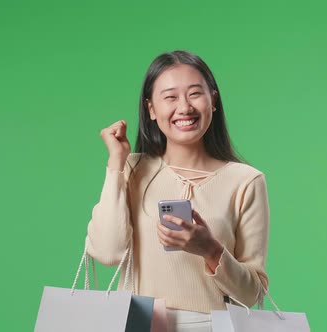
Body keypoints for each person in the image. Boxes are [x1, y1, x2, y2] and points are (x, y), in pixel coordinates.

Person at [85, 50, 270, 332]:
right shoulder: (133, 169)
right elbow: (109, 253)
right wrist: (116, 164)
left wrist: (210, 249)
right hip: (139, 323)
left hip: (212, 325)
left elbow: (251, 293)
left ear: (214, 100)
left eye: (195, 93)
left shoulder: (246, 181)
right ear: (151, 109)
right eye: (170, 97)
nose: (184, 108)